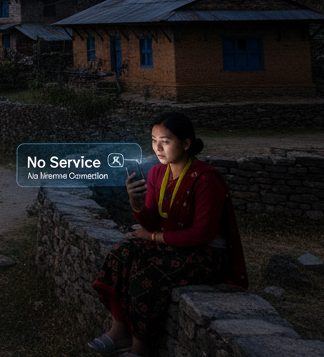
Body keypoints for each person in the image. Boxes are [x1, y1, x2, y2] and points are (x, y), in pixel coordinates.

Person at [87, 111, 247, 356]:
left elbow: (202, 235)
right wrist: (137, 204)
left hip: (207, 255)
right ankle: (119, 331)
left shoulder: (205, 179)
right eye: (153, 140)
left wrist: (153, 238)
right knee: (119, 255)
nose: (158, 147)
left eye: (166, 140)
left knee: (146, 277)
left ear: (185, 144)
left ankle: (141, 347)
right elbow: (151, 222)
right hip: (172, 245)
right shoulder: (157, 174)